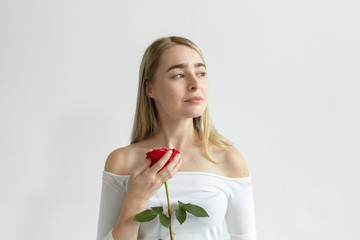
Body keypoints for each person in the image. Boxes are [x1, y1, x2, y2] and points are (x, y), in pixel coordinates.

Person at [96, 36, 257, 240]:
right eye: (179, 75)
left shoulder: (228, 160)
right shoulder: (122, 161)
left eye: (201, 73)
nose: (194, 84)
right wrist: (136, 199)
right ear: (150, 89)